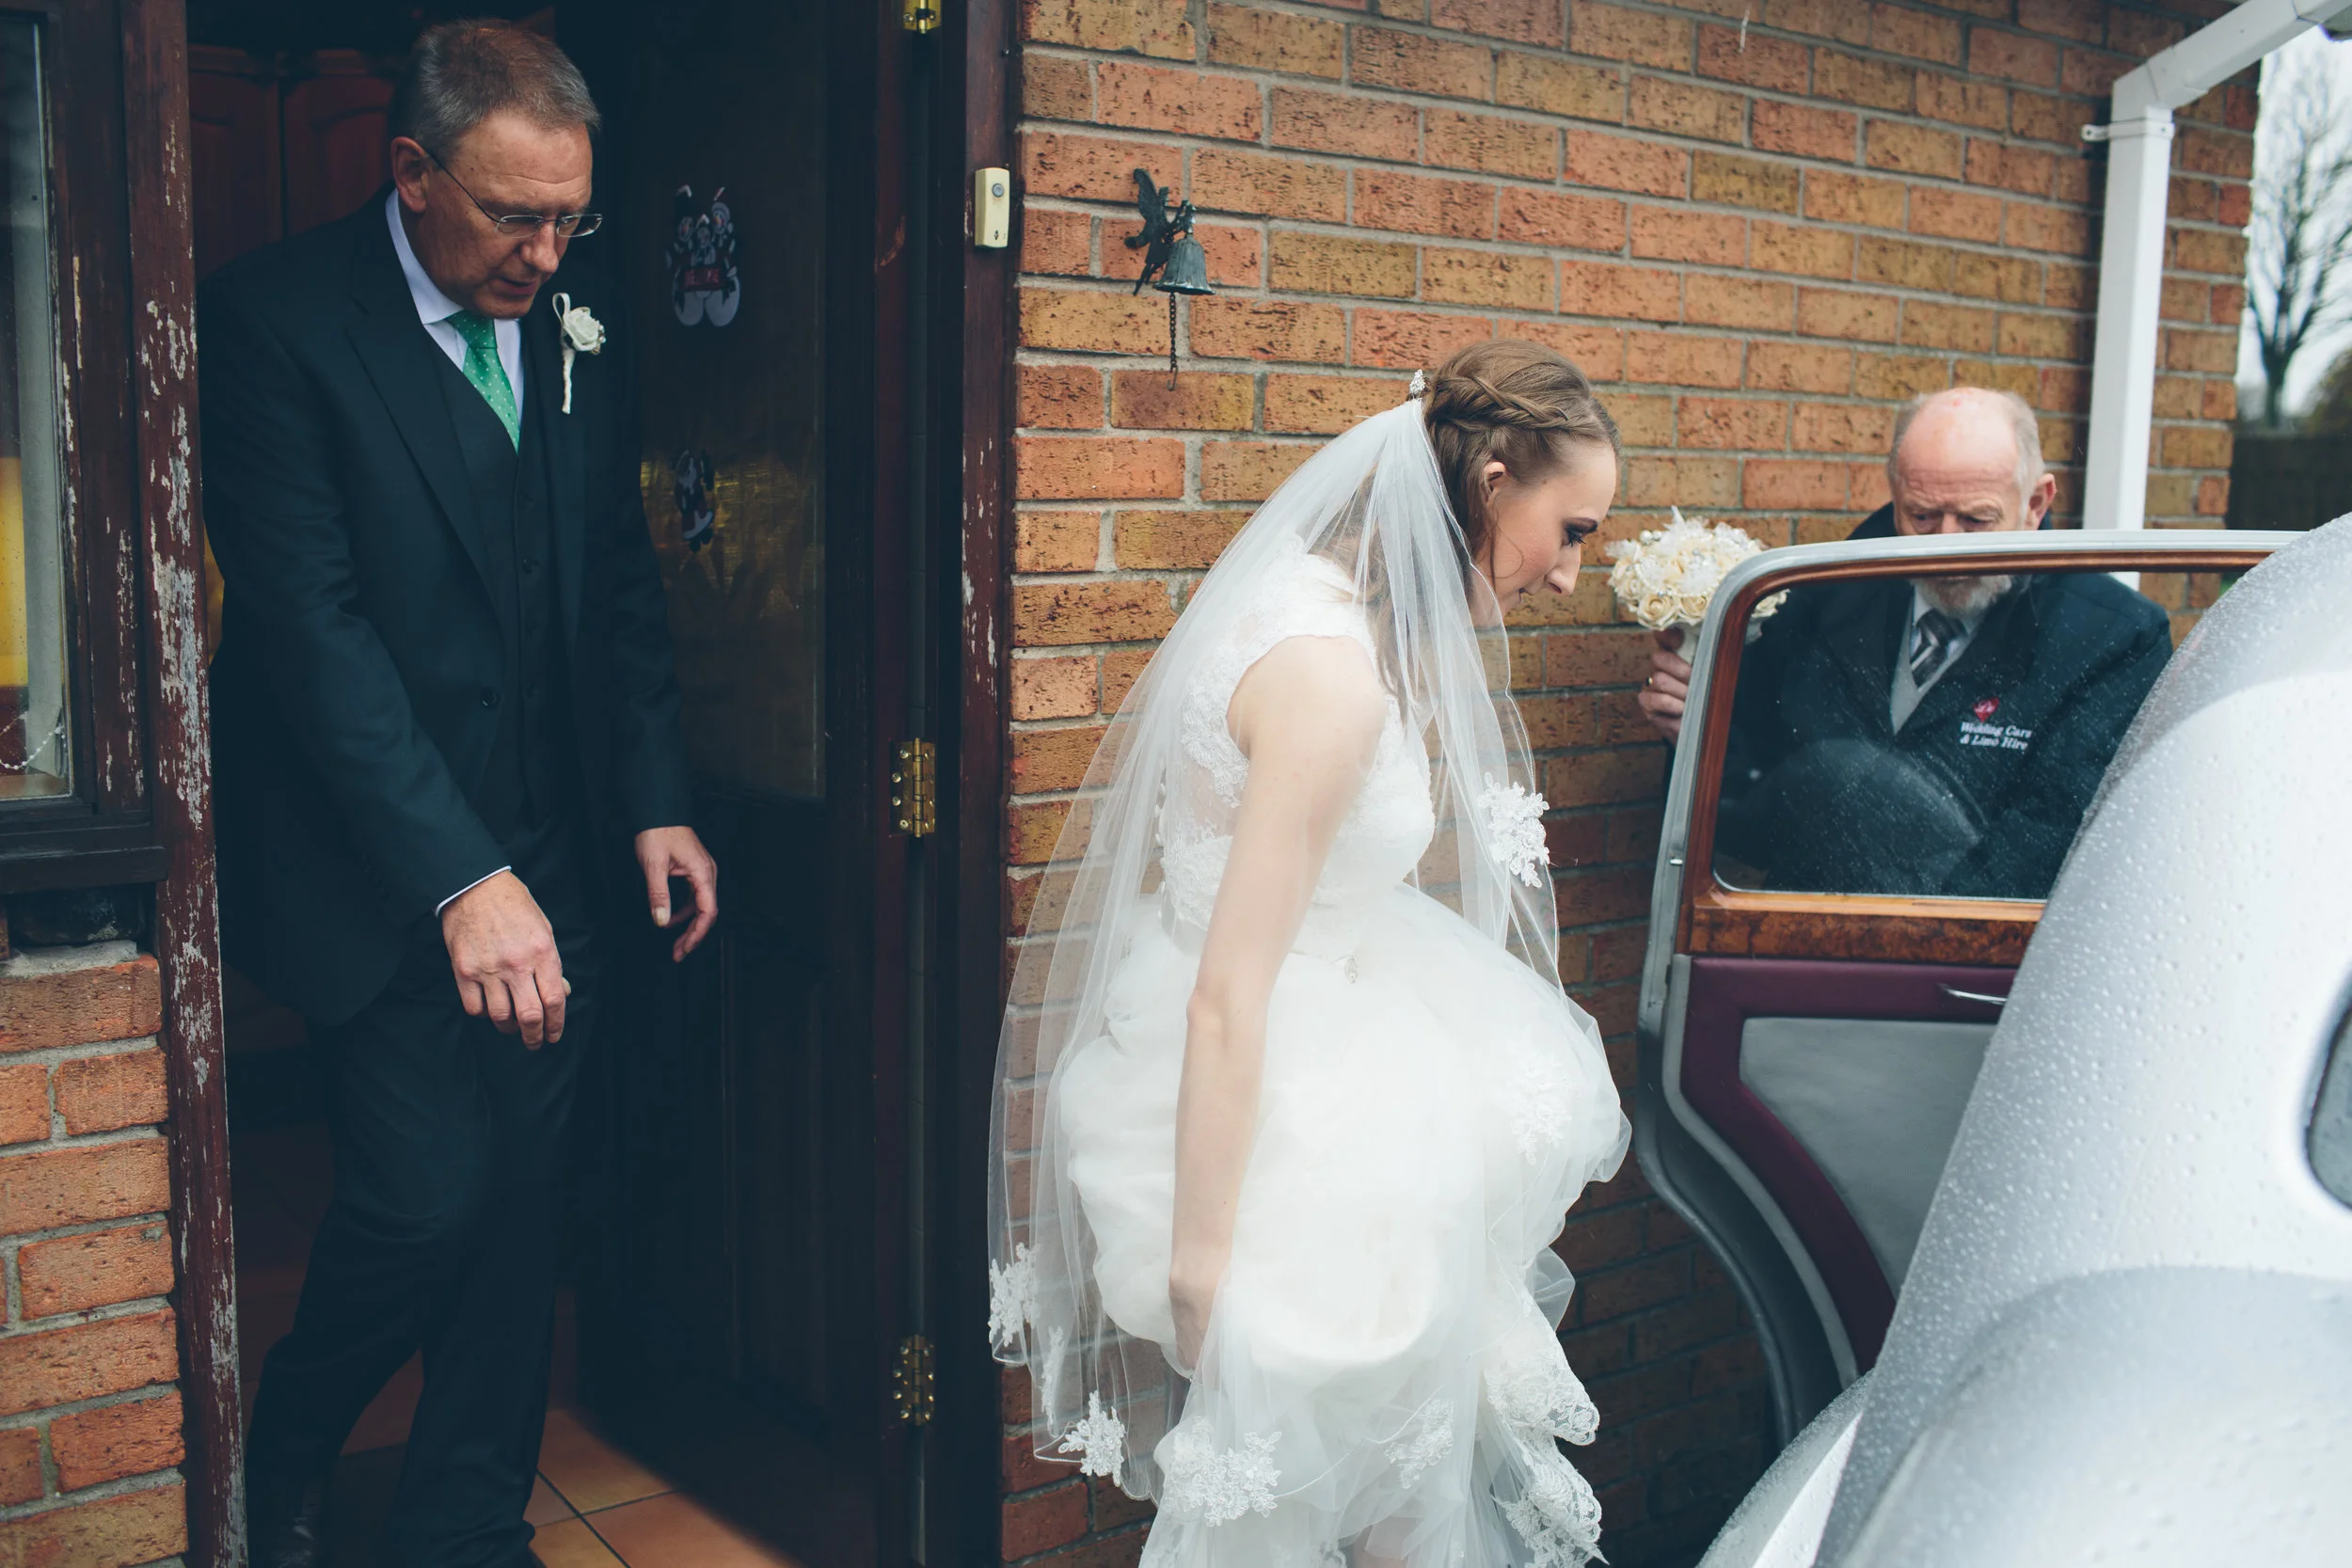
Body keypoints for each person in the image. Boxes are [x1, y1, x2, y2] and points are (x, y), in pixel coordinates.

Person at [199, 24, 717, 1567]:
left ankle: (466, 1521)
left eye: (571, 219)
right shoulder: (273, 322)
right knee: (427, 1198)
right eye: (513, 216)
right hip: (375, 867)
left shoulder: (573, 321)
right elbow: (312, 636)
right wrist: (457, 878)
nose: (546, 255)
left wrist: (653, 799)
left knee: (519, 1216)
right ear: (410, 170)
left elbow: (614, 583)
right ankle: (282, 1449)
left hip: (555, 845)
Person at [987, 341, 1632, 1566]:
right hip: (1288, 1112)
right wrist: (1203, 1251)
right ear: (1494, 480)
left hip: (1292, 1034)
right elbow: (1234, 990)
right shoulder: (1331, 681)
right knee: (1351, 1488)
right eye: (1572, 527)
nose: (1569, 573)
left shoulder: (1298, 593)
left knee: (1372, 1466)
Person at [1634, 386, 2171, 898]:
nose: (1945, 547)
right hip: (1801, 941)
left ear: (2036, 503)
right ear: (1894, 499)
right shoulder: (1820, 596)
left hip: (1976, 978)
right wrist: (1696, 739)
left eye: (1976, 520)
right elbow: (1747, 812)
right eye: (1922, 516)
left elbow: (2048, 847)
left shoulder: (2111, 639)